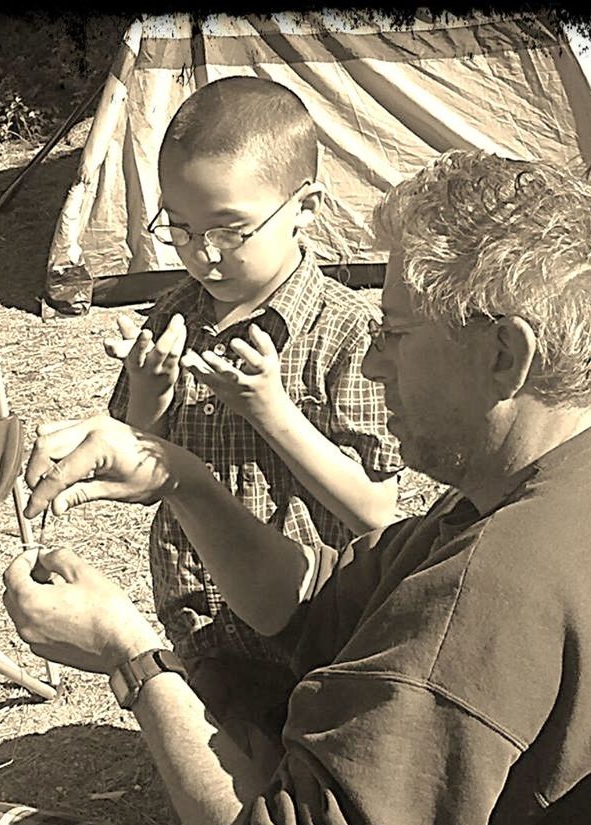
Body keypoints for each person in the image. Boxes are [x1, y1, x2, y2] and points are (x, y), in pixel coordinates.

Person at [0, 151, 591, 825]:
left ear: (504, 357)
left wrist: (133, 659)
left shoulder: (488, 598)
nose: (375, 362)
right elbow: (310, 600)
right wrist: (183, 480)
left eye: (396, 335)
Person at [101, 76, 402, 743]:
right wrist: (149, 389)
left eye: (230, 230)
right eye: (179, 229)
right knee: (229, 762)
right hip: (201, 618)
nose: (202, 255)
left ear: (306, 207)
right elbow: (135, 474)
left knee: (314, 777)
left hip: (322, 623)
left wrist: (273, 413)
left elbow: (377, 512)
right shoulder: (175, 315)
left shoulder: (346, 333)